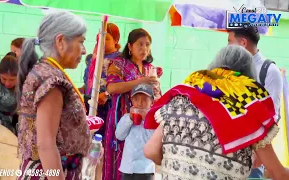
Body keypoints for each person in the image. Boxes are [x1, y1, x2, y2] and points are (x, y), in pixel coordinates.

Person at [143, 45, 289, 180]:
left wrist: (179, 164)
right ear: (248, 74)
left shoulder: (183, 98)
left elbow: (150, 150)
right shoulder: (247, 109)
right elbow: (277, 173)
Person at [17, 11, 91, 180]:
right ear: (60, 42)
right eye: (81, 42)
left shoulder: (46, 71)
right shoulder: (52, 81)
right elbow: (46, 145)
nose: (84, 50)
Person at [104, 28, 162, 180]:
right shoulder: (118, 64)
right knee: (121, 160)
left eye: (147, 44)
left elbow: (157, 96)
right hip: (123, 119)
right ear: (129, 46)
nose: (144, 49)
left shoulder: (151, 69)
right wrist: (140, 81)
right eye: (140, 44)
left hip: (144, 123)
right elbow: (111, 88)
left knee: (143, 161)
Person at [228, 26, 283, 178]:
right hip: (227, 153)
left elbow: (273, 116)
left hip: (252, 154)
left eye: (229, 42)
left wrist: (260, 152)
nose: (227, 47)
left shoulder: (269, 70)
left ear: (243, 43)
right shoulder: (230, 68)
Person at [83, 23, 121, 136]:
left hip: (106, 103)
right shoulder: (93, 57)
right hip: (89, 101)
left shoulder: (119, 59)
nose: (102, 41)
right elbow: (89, 80)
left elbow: (120, 82)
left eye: (107, 38)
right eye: (99, 38)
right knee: (87, 135)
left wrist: (106, 94)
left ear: (116, 40)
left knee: (100, 136)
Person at [115, 84, 155, 180]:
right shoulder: (126, 117)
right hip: (128, 168)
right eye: (136, 99)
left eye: (144, 99)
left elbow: (154, 141)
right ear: (132, 101)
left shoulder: (154, 120)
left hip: (145, 169)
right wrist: (130, 118)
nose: (140, 103)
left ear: (152, 102)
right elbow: (119, 136)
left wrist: (147, 119)